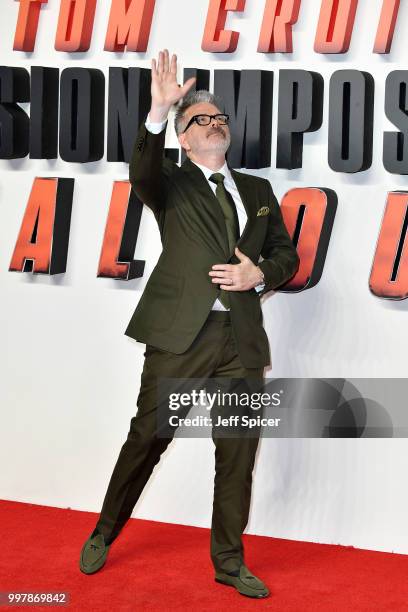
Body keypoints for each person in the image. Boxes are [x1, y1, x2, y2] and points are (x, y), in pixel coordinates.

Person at [79, 48, 299, 599]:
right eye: (202, 119)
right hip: (182, 336)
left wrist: (260, 275)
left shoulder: (257, 191)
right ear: (183, 135)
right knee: (148, 437)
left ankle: (229, 561)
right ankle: (105, 530)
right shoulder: (169, 182)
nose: (216, 123)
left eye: (221, 117)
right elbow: (141, 170)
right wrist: (156, 113)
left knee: (238, 452)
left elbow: (287, 257)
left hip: (241, 341)